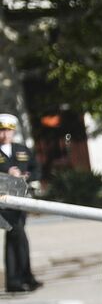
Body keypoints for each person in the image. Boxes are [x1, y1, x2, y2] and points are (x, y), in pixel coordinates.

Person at [0, 112, 41, 291]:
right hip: (4, 201)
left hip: (21, 199)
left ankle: (16, 280)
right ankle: (23, 277)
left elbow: (35, 167)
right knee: (18, 235)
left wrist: (28, 176)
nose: (4, 134)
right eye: (1, 130)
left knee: (14, 237)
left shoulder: (21, 149)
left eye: (8, 131)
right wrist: (7, 176)